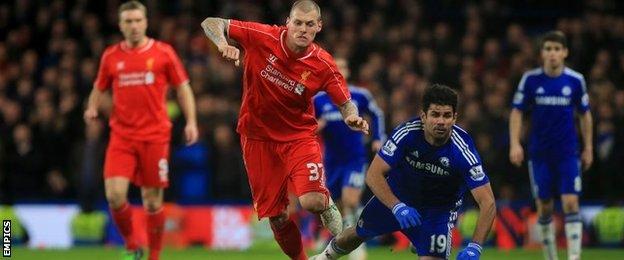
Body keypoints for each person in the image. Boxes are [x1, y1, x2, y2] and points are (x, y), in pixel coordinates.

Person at [200, 1, 369, 259]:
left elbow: (345, 103)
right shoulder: (262, 36)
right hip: (257, 138)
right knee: (277, 216)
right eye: (298, 23)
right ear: (288, 22)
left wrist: (352, 117)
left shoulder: (323, 64)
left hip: (298, 137)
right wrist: (222, 43)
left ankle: (324, 202)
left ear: (318, 27)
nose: (302, 29)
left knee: (310, 202)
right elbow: (211, 22)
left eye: (309, 24)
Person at [311, 84, 496, 260]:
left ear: (455, 118)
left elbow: (487, 201)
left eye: (447, 116)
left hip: (437, 211)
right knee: (354, 236)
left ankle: (420, 239)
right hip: (397, 196)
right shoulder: (406, 133)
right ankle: (322, 257)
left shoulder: (463, 151)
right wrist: (397, 206)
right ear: (423, 116)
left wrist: (475, 246)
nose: (441, 121)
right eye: (435, 115)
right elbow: (374, 174)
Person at [83, 1, 198, 260]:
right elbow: (99, 87)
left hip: (155, 136)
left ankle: (154, 256)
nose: (133, 26)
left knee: (153, 201)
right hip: (122, 136)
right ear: (121, 25)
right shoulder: (111, 56)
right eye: (128, 21)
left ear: (145, 22)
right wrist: (92, 108)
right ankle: (133, 246)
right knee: (114, 196)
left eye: (137, 20)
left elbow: (183, 88)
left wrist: (191, 121)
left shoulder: (163, 53)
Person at [509, 31, 592, 260]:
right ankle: (551, 256)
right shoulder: (531, 80)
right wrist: (515, 144)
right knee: (544, 207)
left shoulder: (575, 81)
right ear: (542, 53)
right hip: (540, 154)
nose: (552, 53)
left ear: (565, 52)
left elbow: (585, 115)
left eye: (557, 49)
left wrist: (588, 147)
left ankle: (574, 257)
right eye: (548, 49)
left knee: (570, 202)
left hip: (568, 152)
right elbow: (517, 112)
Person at [313, 57, 385, 259]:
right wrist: (318, 126)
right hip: (331, 161)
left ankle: (357, 243)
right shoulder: (319, 99)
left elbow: (377, 114)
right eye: (336, 68)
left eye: (343, 67)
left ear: (348, 72)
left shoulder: (360, 95)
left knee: (350, 199)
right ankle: (338, 237)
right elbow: (307, 124)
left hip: (355, 158)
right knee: (334, 204)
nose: (340, 71)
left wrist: (379, 138)